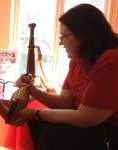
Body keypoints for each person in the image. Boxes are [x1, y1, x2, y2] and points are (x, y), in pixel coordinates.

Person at [12, 4, 118, 150]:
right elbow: (65, 102)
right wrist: (32, 90)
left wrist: (36, 112)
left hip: (110, 129)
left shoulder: (111, 60)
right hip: (93, 124)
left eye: (63, 36)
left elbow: (86, 118)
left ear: (84, 35)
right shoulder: (78, 61)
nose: (61, 43)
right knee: (36, 124)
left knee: (54, 135)